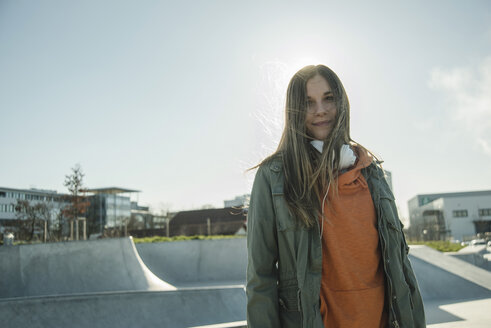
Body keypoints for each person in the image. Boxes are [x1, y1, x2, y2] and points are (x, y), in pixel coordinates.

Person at [246, 64, 425, 328]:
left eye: (328, 98)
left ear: (341, 102)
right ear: (295, 111)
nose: (320, 110)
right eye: (308, 103)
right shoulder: (274, 176)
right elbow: (260, 278)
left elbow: (400, 265)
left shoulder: (372, 174)